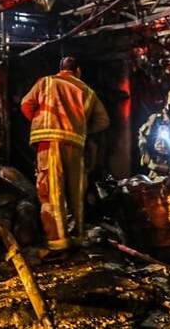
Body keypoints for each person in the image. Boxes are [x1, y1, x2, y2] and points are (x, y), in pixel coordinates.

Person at [21, 56, 109, 251]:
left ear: (60, 69)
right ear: (78, 71)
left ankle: (58, 240)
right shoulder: (88, 91)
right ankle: (77, 235)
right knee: (75, 191)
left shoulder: (46, 82)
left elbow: (26, 105)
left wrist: (39, 121)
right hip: (75, 145)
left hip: (49, 143)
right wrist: (82, 129)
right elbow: (103, 121)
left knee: (52, 191)